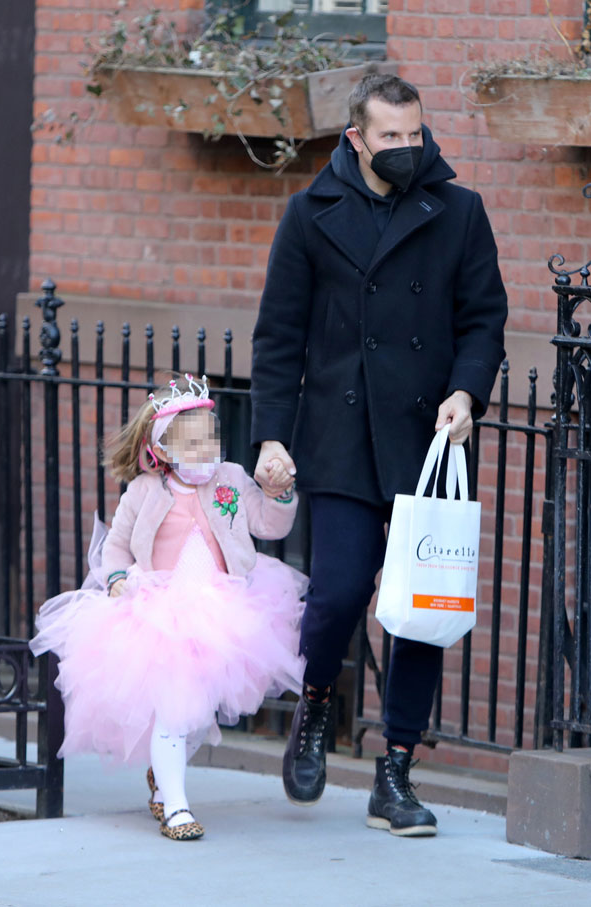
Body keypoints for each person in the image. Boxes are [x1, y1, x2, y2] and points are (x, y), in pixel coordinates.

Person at [250, 73, 507, 837]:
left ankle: (394, 771)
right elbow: (277, 336)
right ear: (356, 139)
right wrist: (270, 434)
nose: (406, 148)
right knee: (334, 595)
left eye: (414, 133)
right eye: (389, 136)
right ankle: (318, 697)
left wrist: (467, 392)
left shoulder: (459, 213)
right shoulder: (309, 214)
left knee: (420, 611)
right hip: (340, 435)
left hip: (429, 441)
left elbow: (484, 319)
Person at [30, 374, 306, 841]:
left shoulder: (231, 479)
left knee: (195, 713)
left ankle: (162, 784)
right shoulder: (145, 490)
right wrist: (116, 580)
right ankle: (177, 806)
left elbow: (267, 524)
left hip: (222, 610)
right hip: (159, 612)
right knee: (174, 709)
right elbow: (116, 547)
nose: (206, 451)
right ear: (165, 449)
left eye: (210, 438)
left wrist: (279, 494)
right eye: (193, 444)